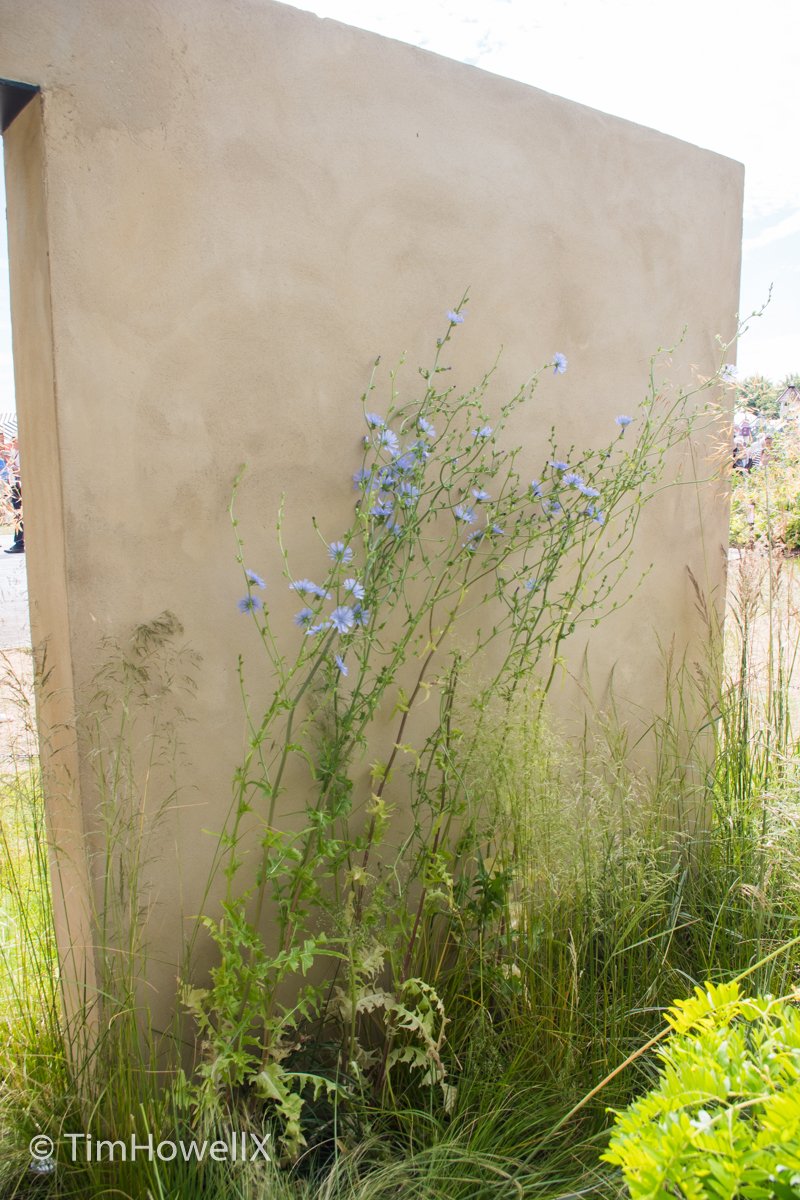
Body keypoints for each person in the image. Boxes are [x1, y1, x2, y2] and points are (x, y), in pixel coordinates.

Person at [4, 441, 23, 554]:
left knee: (19, 515)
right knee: (17, 515)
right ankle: (19, 542)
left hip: (19, 487)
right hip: (14, 486)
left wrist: (12, 466)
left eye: (15, 440)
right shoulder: (13, 452)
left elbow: (20, 471)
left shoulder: (21, 454)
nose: (13, 443)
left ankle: (20, 542)